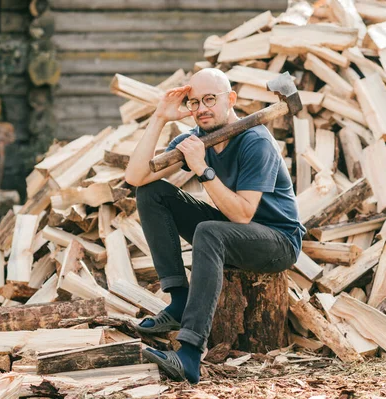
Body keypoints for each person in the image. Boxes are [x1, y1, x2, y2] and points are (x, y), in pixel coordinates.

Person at [124, 68, 306, 384]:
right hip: (234, 232)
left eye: (210, 99)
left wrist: (202, 169)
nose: (202, 109)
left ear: (230, 99)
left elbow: (243, 215)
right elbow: (136, 177)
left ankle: (190, 355)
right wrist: (159, 118)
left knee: (209, 230)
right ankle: (179, 301)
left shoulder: (255, 140)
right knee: (151, 192)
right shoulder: (196, 140)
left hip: (278, 241)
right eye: (194, 102)